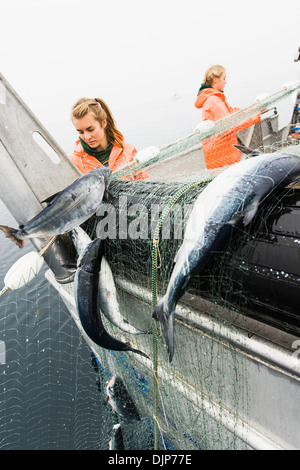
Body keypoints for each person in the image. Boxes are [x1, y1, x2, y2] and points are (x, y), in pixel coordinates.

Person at [194, 65, 261, 169]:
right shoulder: (213, 100)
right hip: (221, 156)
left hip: (225, 153)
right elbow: (229, 125)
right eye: (224, 78)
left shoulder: (216, 97)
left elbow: (231, 112)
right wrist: (256, 115)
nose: (226, 82)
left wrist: (253, 109)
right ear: (215, 80)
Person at [70, 97, 148, 179]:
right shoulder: (73, 163)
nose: (87, 137)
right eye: (81, 132)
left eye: (90, 129)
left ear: (103, 123)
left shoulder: (128, 151)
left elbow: (144, 183)